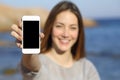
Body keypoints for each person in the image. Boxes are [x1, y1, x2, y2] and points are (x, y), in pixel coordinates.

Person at [11, 1, 100, 80]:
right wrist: (30, 50)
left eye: (73, 28)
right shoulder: (40, 63)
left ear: (79, 31)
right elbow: (31, 67)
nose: (66, 34)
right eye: (59, 26)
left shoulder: (87, 68)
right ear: (50, 27)